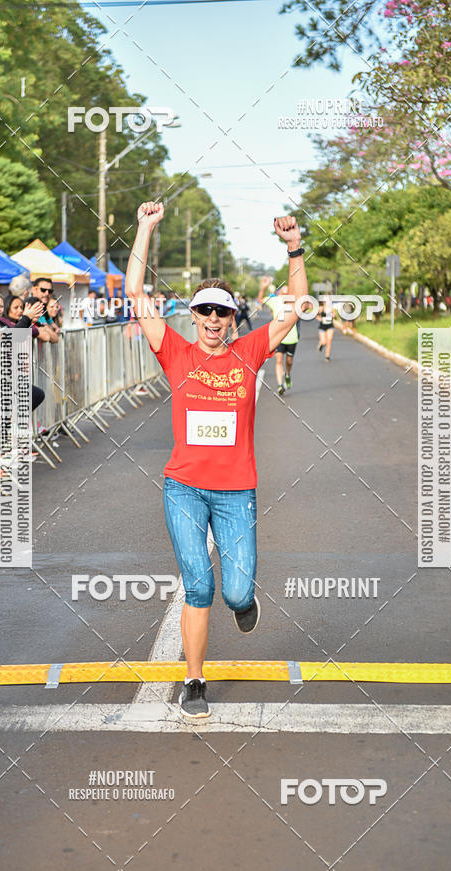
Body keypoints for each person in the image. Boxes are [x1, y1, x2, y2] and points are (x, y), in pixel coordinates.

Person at [125, 201, 308, 720]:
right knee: (198, 585)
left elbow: (296, 307)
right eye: (203, 310)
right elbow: (135, 293)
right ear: (194, 315)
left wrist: (293, 247)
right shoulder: (175, 353)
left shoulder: (248, 352)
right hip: (183, 486)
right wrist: (145, 228)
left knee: (233, 591)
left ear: (232, 319)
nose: (210, 319)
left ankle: (245, 601)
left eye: (220, 312)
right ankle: (195, 680)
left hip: (235, 491)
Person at [256, 275, 299, 396]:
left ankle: (288, 375)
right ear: (280, 293)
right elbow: (260, 300)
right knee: (279, 360)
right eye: (283, 292)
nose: (285, 294)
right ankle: (280, 385)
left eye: (287, 292)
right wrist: (263, 287)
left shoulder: (294, 303)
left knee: (289, 361)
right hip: (279, 337)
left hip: (292, 337)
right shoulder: (275, 301)